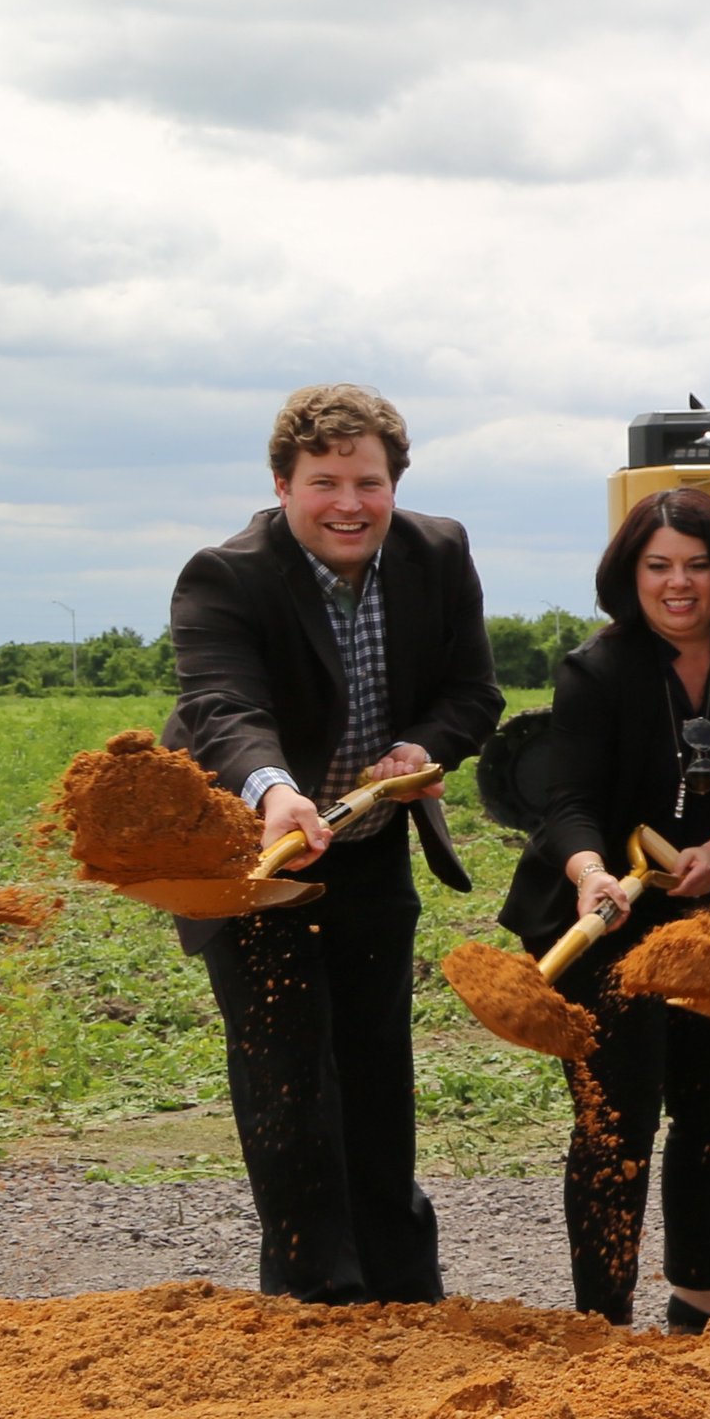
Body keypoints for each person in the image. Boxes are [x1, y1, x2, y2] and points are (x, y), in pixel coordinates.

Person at [164, 383, 503, 1304]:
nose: (349, 503)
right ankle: (317, 1298)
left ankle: (402, 1291)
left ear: (395, 482)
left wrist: (426, 748)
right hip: (251, 858)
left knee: (374, 1068)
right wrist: (275, 793)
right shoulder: (224, 576)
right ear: (283, 485)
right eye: (325, 482)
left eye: (369, 481)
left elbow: (474, 693)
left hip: (370, 843)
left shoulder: (439, 553)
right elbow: (223, 709)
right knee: (287, 1079)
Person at [498, 488, 710, 1331]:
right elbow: (566, 802)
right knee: (616, 1116)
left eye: (697, 566)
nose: (679, 584)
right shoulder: (596, 670)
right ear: (629, 576)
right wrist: (593, 871)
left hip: (707, 916)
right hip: (603, 917)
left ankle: (697, 1297)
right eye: (658, 567)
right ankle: (603, 1317)